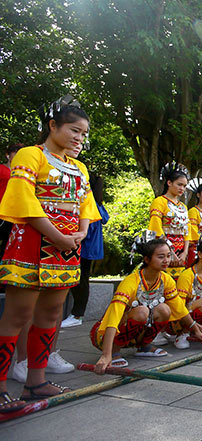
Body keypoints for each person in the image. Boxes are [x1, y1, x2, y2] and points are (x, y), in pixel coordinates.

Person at [0, 96, 101, 412]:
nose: (79, 138)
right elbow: (22, 200)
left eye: (83, 134)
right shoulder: (30, 156)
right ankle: (1, 386)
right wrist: (57, 235)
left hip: (67, 248)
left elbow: (86, 204)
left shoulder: (79, 167)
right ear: (53, 126)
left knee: (51, 314)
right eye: (74, 130)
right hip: (32, 243)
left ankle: (36, 380)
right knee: (18, 315)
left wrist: (81, 233)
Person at [91, 233, 202, 374]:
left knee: (164, 309)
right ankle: (114, 350)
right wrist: (106, 354)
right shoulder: (131, 281)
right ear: (147, 259)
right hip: (105, 334)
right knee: (142, 311)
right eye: (161, 257)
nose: (166, 260)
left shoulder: (166, 279)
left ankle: (144, 346)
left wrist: (195, 328)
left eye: (168, 256)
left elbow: (178, 307)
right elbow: (114, 315)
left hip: (139, 327)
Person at [62, 175, 108, 328]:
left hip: (84, 248)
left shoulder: (89, 205)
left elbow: (87, 230)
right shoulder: (98, 205)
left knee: (81, 280)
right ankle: (76, 314)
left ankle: (77, 314)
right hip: (90, 249)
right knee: (82, 279)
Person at [148, 162, 193, 280]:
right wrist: (169, 253)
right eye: (179, 184)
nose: (182, 188)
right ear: (169, 183)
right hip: (164, 251)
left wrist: (185, 252)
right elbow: (156, 229)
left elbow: (187, 231)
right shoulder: (159, 202)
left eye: (184, 186)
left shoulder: (183, 206)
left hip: (181, 253)